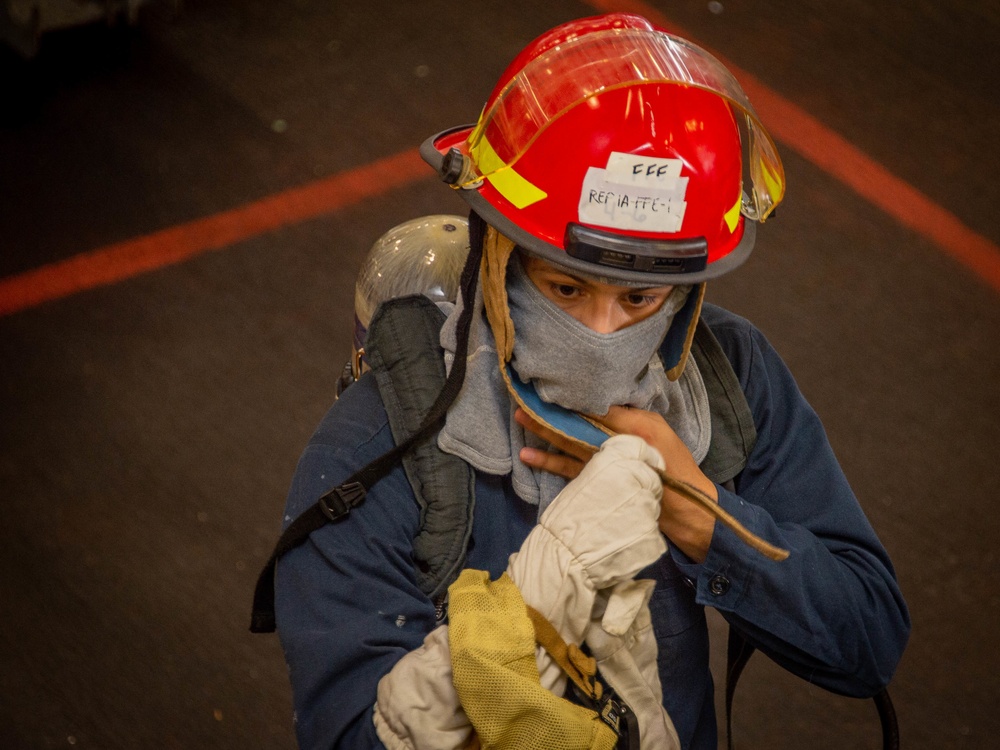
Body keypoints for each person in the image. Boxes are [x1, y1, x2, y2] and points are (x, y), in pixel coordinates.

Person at [272, 13, 910, 749]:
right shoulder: (379, 449)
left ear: (687, 293)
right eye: (566, 291)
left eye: (640, 300)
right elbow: (347, 733)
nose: (602, 339)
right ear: (499, 255)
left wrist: (702, 517)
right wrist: (535, 604)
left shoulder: (729, 384)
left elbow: (868, 640)